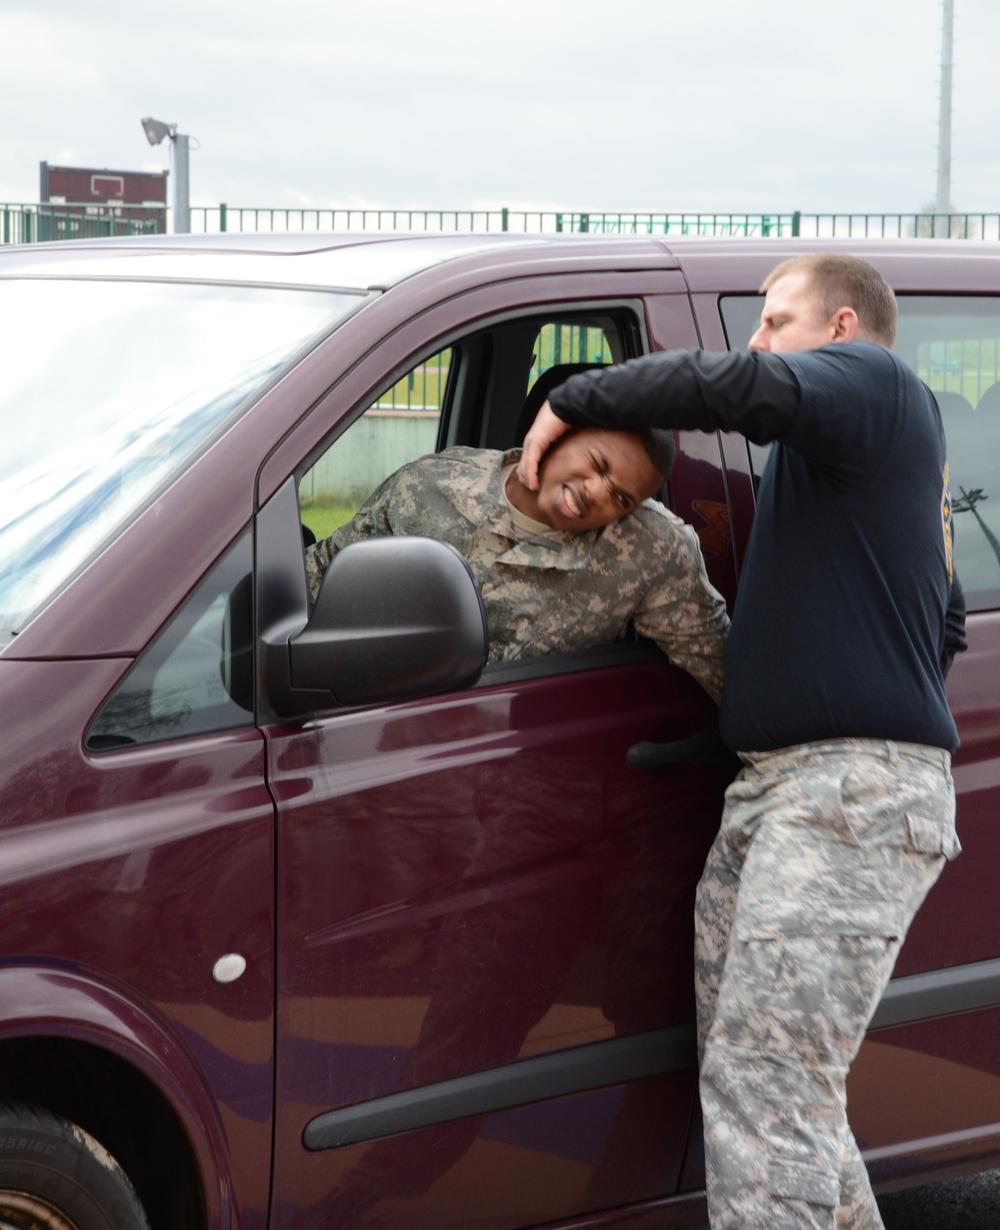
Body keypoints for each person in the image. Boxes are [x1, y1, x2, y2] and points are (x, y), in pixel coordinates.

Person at [518, 253, 965, 1230]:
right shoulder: (858, 462)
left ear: (842, 329)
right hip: (785, 789)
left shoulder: (878, 383)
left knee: (766, 1096)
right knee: (770, 1086)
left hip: (842, 797)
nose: (756, 340)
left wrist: (575, 401)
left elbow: (740, 385)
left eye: (775, 320)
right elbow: (947, 617)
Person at [305, 422, 729, 702]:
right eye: (598, 464)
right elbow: (317, 582)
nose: (598, 493)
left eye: (622, 498)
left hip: (528, 778)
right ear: (555, 435)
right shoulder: (433, 483)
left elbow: (723, 669)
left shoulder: (650, 547)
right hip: (389, 740)